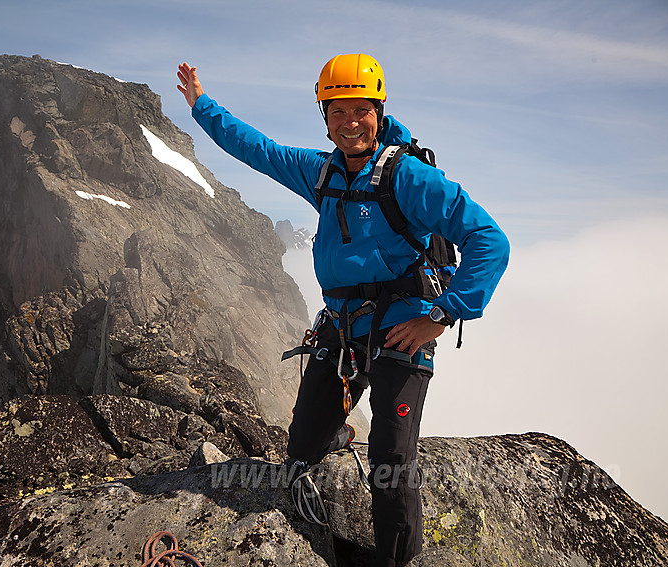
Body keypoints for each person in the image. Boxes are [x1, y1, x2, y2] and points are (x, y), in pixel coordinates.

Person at [177, 54, 509, 567]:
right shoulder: (321, 171)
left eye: (361, 110)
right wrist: (202, 106)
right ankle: (334, 436)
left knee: (392, 461)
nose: (350, 122)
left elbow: (489, 239)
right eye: (337, 112)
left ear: (378, 111)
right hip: (340, 330)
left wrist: (441, 315)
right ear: (325, 117)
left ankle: (397, 559)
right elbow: (257, 150)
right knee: (302, 448)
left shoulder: (408, 179)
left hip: (402, 331)